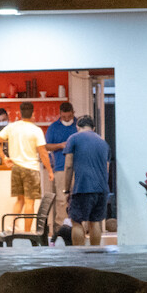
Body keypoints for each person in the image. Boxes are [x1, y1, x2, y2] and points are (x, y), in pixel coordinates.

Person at [62, 113, 112, 246]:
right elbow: (106, 169)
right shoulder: (103, 143)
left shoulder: (73, 138)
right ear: (93, 128)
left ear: (77, 126)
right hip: (101, 189)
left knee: (76, 222)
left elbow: (68, 166)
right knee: (95, 222)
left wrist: (66, 189)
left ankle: (78, 256)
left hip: (82, 187)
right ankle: (95, 255)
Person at [0, 102, 47, 219]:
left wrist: (4, 158)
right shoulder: (36, 130)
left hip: (16, 168)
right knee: (30, 203)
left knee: (20, 201)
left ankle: (13, 228)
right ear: (33, 113)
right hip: (31, 169)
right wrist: (50, 170)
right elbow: (43, 152)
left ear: (20, 113)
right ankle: (27, 233)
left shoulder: (12, 127)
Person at [45, 101, 79, 228]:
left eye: (69, 117)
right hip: (60, 168)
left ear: (73, 113)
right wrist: (60, 145)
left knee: (76, 197)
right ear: (59, 114)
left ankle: (77, 225)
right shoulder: (53, 127)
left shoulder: (78, 125)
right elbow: (46, 146)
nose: (66, 119)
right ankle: (62, 226)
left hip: (78, 168)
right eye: (64, 117)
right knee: (61, 198)